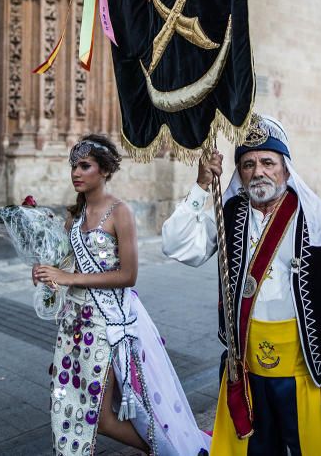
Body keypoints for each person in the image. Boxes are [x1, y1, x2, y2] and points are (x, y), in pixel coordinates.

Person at [160, 115, 321, 455]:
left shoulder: (319, 219)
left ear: (285, 168)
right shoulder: (228, 213)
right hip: (244, 373)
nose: (258, 171)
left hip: (307, 371)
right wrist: (201, 187)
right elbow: (177, 246)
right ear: (240, 173)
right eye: (247, 164)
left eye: (267, 162)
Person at [32, 135, 211, 456]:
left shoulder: (120, 212)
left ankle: (171, 451)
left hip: (110, 324)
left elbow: (128, 275)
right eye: (73, 165)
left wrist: (67, 276)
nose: (76, 172)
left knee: (101, 416)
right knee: (71, 403)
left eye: (85, 165)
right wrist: (45, 274)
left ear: (104, 171)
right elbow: (63, 269)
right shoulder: (73, 218)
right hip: (74, 325)